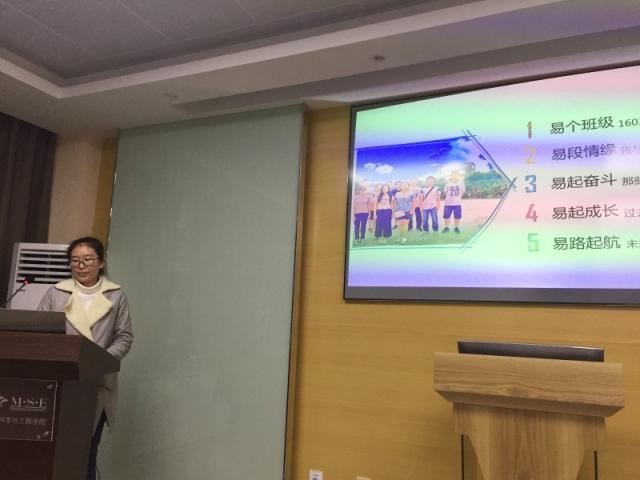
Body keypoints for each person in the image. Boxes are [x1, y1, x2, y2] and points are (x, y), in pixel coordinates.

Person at [38, 236, 133, 480]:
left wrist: (100, 361)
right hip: (60, 381)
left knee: (87, 450)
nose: (80, 266)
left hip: (96, 381)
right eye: (75, 261)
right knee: (54, 449)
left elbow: (124, 337)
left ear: (101, 263)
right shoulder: (56, 293)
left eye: (87, 260)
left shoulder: (115, 295)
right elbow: (40, 332)